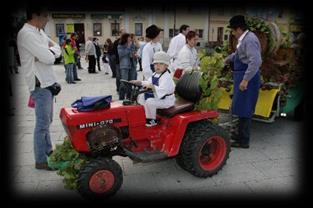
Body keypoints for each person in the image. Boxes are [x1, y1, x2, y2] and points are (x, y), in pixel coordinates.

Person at [17, 5, 62, 170]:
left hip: (47, 83)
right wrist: (46, 54)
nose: (47, 19)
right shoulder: (27, 34)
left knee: (47, 121)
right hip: (40, 84)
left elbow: (57, 50)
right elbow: (50, 59)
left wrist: (46, 53)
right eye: (45, 16)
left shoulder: (39, 32)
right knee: (42, 124)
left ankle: (48, 151)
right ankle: (41, 160)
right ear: (35, 16)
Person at [224, 15, 262, 149]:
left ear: (239, 29)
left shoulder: (250, 40)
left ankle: (243, 141)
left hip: (248, 79)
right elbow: (239, 54)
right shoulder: (244, 39)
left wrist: (245, 80)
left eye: (233, 31)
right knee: (240, 108)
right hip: (242, 76)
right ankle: (239, 135)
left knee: (245, 109)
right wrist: (227, 59)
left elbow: (255, 61)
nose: (233, 34)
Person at [131, 51, 175, 127]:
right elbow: (148, 82)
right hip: (159, 97)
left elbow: (163, 90)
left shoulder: (166, 77)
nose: (157, 66)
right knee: (140, 97)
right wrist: (140, 82)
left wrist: (152, 87)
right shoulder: (155, 74)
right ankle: (143, 116)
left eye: (161, 64)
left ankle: (152, 120)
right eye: (155, 64)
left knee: (150, 101)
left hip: (166, 100)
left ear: (166, 66)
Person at [117, 33, 137, 100]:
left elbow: (132, 53)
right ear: (125, 38)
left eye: (130, 37)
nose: (130, 38)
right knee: (124, 82)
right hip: (124, 66)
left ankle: (129, 98)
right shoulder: (120, 45)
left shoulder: (132, 45)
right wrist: (128, 47)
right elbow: (121, 54)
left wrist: (135, 55)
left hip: (132, 65)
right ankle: (121, 98)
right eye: (128, 37)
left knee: (131, 83)